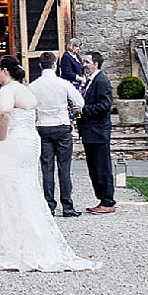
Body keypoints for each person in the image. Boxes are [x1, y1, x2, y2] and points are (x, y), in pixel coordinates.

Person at [0, 55, 98, 272]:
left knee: (5, 188)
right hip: (28, 140)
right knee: (25, 187)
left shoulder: (7, 90)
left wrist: (2, 132)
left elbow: (4, 111)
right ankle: (28, 240)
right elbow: (29, 115)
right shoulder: (26, 89)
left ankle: (7, 247)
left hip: (11, 143)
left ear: (5, 71)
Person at [28, 53, 85, 217]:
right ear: (54, 65)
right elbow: (80, 102)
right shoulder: (62, 83)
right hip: (61, 125)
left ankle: (49, 205)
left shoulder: (33, 86)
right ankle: (67, 206)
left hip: (43, 127)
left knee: (47, 168)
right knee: (64, 167)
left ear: (40, 65)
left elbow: (28, 106)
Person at [77, 50, 118, 213]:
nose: (84, 65)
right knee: (94, 168)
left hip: (98, 132)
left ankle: (108, 201)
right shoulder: (89, 81)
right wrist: (78, 113)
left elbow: (105, 105)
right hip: (90, 132)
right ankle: (102, 199)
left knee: (102, 167)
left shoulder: (101, 81)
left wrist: (83, 110)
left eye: (87, 62)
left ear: (96, 63)